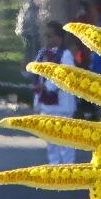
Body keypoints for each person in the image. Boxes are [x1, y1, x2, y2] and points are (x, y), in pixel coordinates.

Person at [32, 22, 78, 165]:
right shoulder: (42, 55)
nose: (46, 38)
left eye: (49, 35)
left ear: (58, 38)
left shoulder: (65, 55)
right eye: (45, 35)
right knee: (51, 141)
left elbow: (64, 76)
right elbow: (37, 77)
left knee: (65, 141)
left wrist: (47, 86)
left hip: (62, 105)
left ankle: (68, 170)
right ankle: (54, 168)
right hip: (47, 106)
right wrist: (37, 101)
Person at [3, 0, 42, 72]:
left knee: (40, 46)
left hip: (44, 17)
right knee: (29, 45)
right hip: (28, 17)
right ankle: (28, 72)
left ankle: (39, 71)